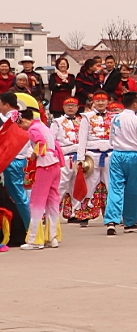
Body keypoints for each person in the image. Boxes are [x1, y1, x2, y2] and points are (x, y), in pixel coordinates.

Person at [19, 93, 64, 249]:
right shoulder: (43, 126)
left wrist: (33, 154)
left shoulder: (33, 129)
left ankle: (34, 239)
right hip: (55, 164)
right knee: (52, 201)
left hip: (45, 165)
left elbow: (41, 143)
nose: (21, 128)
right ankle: (53, 236)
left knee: (37, 202)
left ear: (24, 120)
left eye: (20, 124)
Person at [103, 91, 137, 235]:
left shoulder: (115, 118)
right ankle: (129, 221)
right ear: (135, 104)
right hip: (133, 155)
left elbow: (110, 139)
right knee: (132, 189)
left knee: (115, 186)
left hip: (117, 153)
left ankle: (111, 220)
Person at [0, 92, 35, 248]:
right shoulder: (16, 116)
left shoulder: (10, 118)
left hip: (13, 159)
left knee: (20, 197)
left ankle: (31, 230)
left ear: (6, 104)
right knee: (17, 197)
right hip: (15, 159)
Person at [74, 92, 114, 228]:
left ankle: (112, 215)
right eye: (98, 101)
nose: (101, 103)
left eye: (104, 101)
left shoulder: (114, 117)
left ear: (108, 102)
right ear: (93, 102)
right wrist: (80, 158)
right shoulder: (86, 117)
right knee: (90, 185)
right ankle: (85, 214)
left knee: (111, 185)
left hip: (110, 154)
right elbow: (82, 138)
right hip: (92, 155)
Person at [53, 97, 83, 223]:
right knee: (61, 185)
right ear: (63, 107)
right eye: (68, 105)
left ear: (77, 107)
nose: (71, 107)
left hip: (80, 157)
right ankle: (51, 211)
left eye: (73, 105)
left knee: (76, 185)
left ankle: (75, 213)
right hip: (64, 156)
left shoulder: (83, 121)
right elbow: (52, 139)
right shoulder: (57, 122)